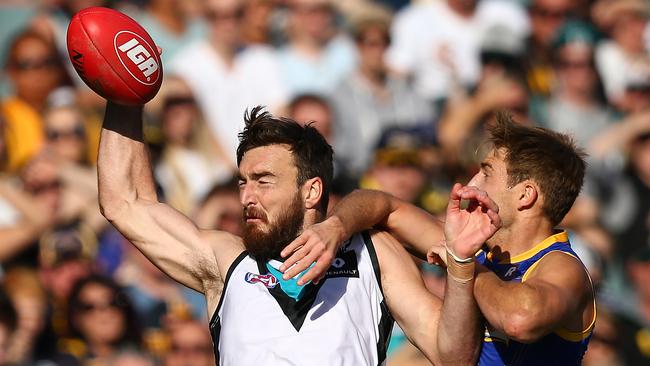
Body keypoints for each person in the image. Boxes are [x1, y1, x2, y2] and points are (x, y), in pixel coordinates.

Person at [97, 99, 501, 365]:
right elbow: (125, 203)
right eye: (242, 182)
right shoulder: (227, 260)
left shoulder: (373, 253)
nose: (247, 197)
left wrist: (461, 263)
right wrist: (125, 97)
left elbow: (453, 357)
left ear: (311, 191)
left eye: (263, 181)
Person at [282, 112, 596, 365]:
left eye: (486, 173)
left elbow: (519, 319)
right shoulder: (477, 250)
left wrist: (463, 265)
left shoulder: (561, 267)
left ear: (526, 195)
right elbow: (383, 206)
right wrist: (335, 226)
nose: (472, 182)